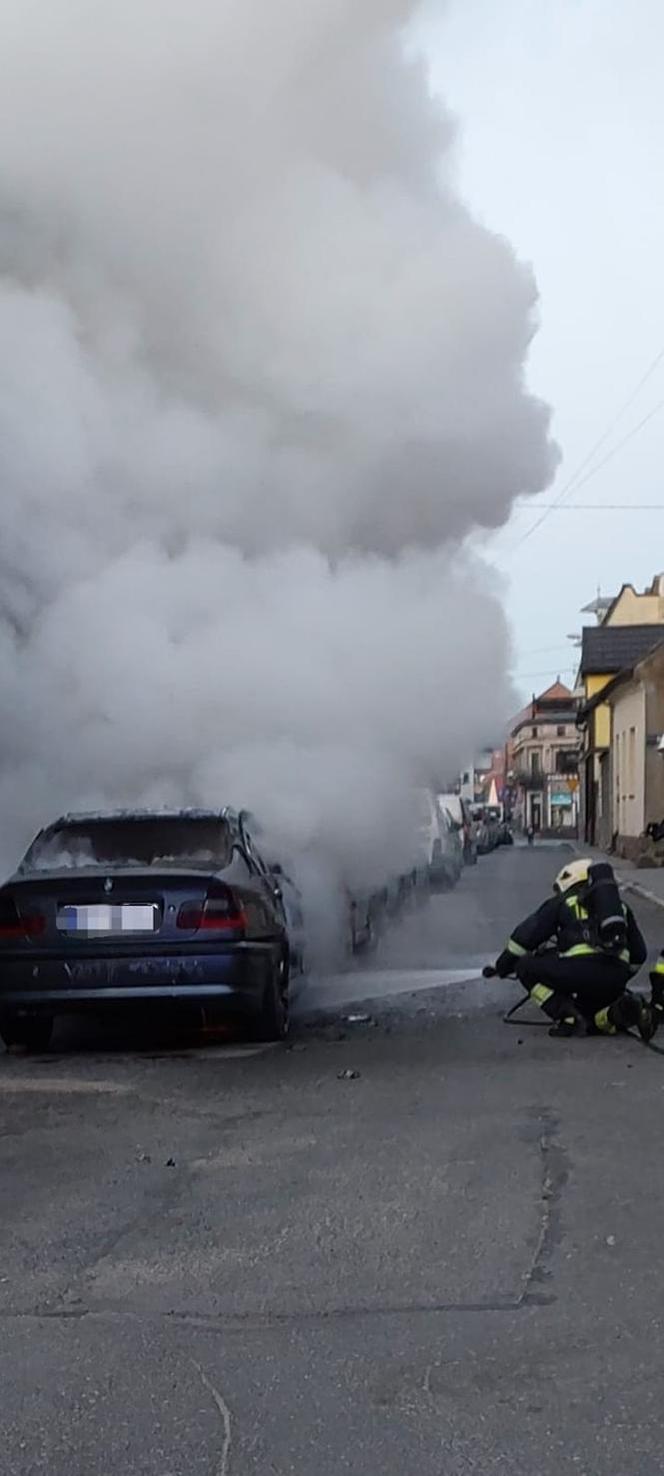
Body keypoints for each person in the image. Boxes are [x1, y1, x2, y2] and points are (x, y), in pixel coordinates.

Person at [486, 857, 655, 1040]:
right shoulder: (620, 908)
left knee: (524, 966)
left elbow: (524, 939)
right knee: (592, 1015)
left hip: (577, 973)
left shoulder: (563, 902)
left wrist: (503, 966)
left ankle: (567, 1016)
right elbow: (639, 954)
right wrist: (618, 978)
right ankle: (624, 1009)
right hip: (615, 975)